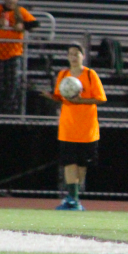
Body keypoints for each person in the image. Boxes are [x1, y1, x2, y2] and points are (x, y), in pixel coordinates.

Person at [39, 43, 107, 211]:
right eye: (70, 54)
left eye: (76, 54)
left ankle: (75, 198)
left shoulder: (91, 75)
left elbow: (101, 99)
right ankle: (72, 200)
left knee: (82, 166)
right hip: (68, 126)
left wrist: (80, 100)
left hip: (87, 127)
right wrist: (52, 97)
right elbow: (62, 97)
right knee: (69, 163)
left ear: (83, 56)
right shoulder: (63, 74)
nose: (73, 57)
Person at [0, 0, 39, 113]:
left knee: (12, 85)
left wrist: (22, 26)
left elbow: (35, 24)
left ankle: (9, 112)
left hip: (13, 53)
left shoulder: (20, 12)